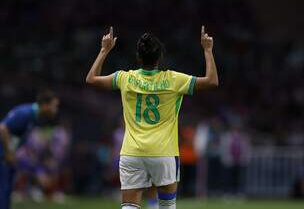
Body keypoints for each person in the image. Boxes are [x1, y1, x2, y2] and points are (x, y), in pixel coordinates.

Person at [86, 26, 218, 209]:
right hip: (164, 153)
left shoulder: (125, 78)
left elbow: (91, 79)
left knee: (130, 207)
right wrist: (208, 50)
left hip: (132, 152)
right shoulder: (173, 79)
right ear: (160, 57)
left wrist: (104, 50)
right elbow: (212, 81)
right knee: (166, 205)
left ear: (139, 57)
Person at [0, 89, 59, 209]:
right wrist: (8, 153)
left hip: (7, 151)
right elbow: (3, 129)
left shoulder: (35, 117)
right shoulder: (25, 113)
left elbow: (18, 138)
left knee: (8, 187)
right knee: (1, 187)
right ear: (45, 104)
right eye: (54, 106)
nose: (55, 110)